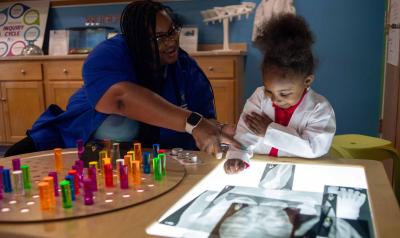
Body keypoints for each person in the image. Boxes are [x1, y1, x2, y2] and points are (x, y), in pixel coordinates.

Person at [5, 0, 238, 158]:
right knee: (15, 158)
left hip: (151, 158)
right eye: (159, 37)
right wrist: (193, 122)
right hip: (80, 145)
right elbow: (119, 99)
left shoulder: (185, 68)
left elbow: (204, 119)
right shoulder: (110, 54)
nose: (171, 42)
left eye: (172, 31)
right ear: (137, 42)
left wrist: (221, 128)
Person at [224, 13, 336, 174]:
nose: (275, 99)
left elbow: (314, 148)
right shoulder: (259, 97)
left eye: (284, 94)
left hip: (302, 170)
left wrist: (268, 130)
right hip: (261, 166)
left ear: (307, 81)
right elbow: (245, 131)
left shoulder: (320, 109)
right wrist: (238, 155)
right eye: (269, 90)